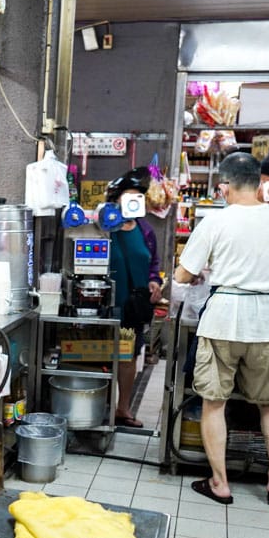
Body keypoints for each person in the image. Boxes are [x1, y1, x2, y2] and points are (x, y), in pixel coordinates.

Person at [174, 152, 269, 507]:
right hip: (267, 320)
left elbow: (182, 274)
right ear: (259, 184)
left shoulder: (214, 221)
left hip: (223, 318)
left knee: (214, 402)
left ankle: (220, 483)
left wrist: (201, 271)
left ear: (224, 187)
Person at [106, 168, 164, 429]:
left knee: (128, 356)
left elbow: (153, 264)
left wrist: (155, 281)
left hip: (134, 305)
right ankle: (101, 406)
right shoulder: (104, 226)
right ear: (116, 199)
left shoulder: (145, 230)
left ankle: (123, 408)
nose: (133, 201)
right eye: (128, 196)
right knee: (102, 354)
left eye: (138, 197)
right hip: (107, 304)